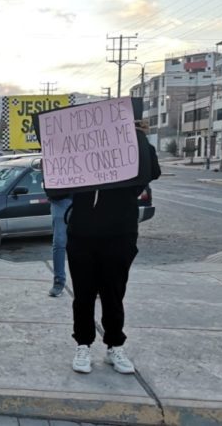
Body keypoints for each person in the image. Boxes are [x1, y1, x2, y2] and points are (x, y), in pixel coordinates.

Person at [67, 123, 161, 374]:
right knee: (83, 295)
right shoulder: (80, 155)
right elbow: (56, 189)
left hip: (120, 234)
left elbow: (153, 170)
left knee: (113, 294)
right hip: (82, 234)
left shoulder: (133, 153)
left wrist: (139, 136)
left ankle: (114, 347)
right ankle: (83, 345)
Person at [47, 193, 72, 297]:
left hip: (84, 197)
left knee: (87, 242)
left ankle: (94, 282)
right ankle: (59, 282)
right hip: (60, 200)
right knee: (59, 242)